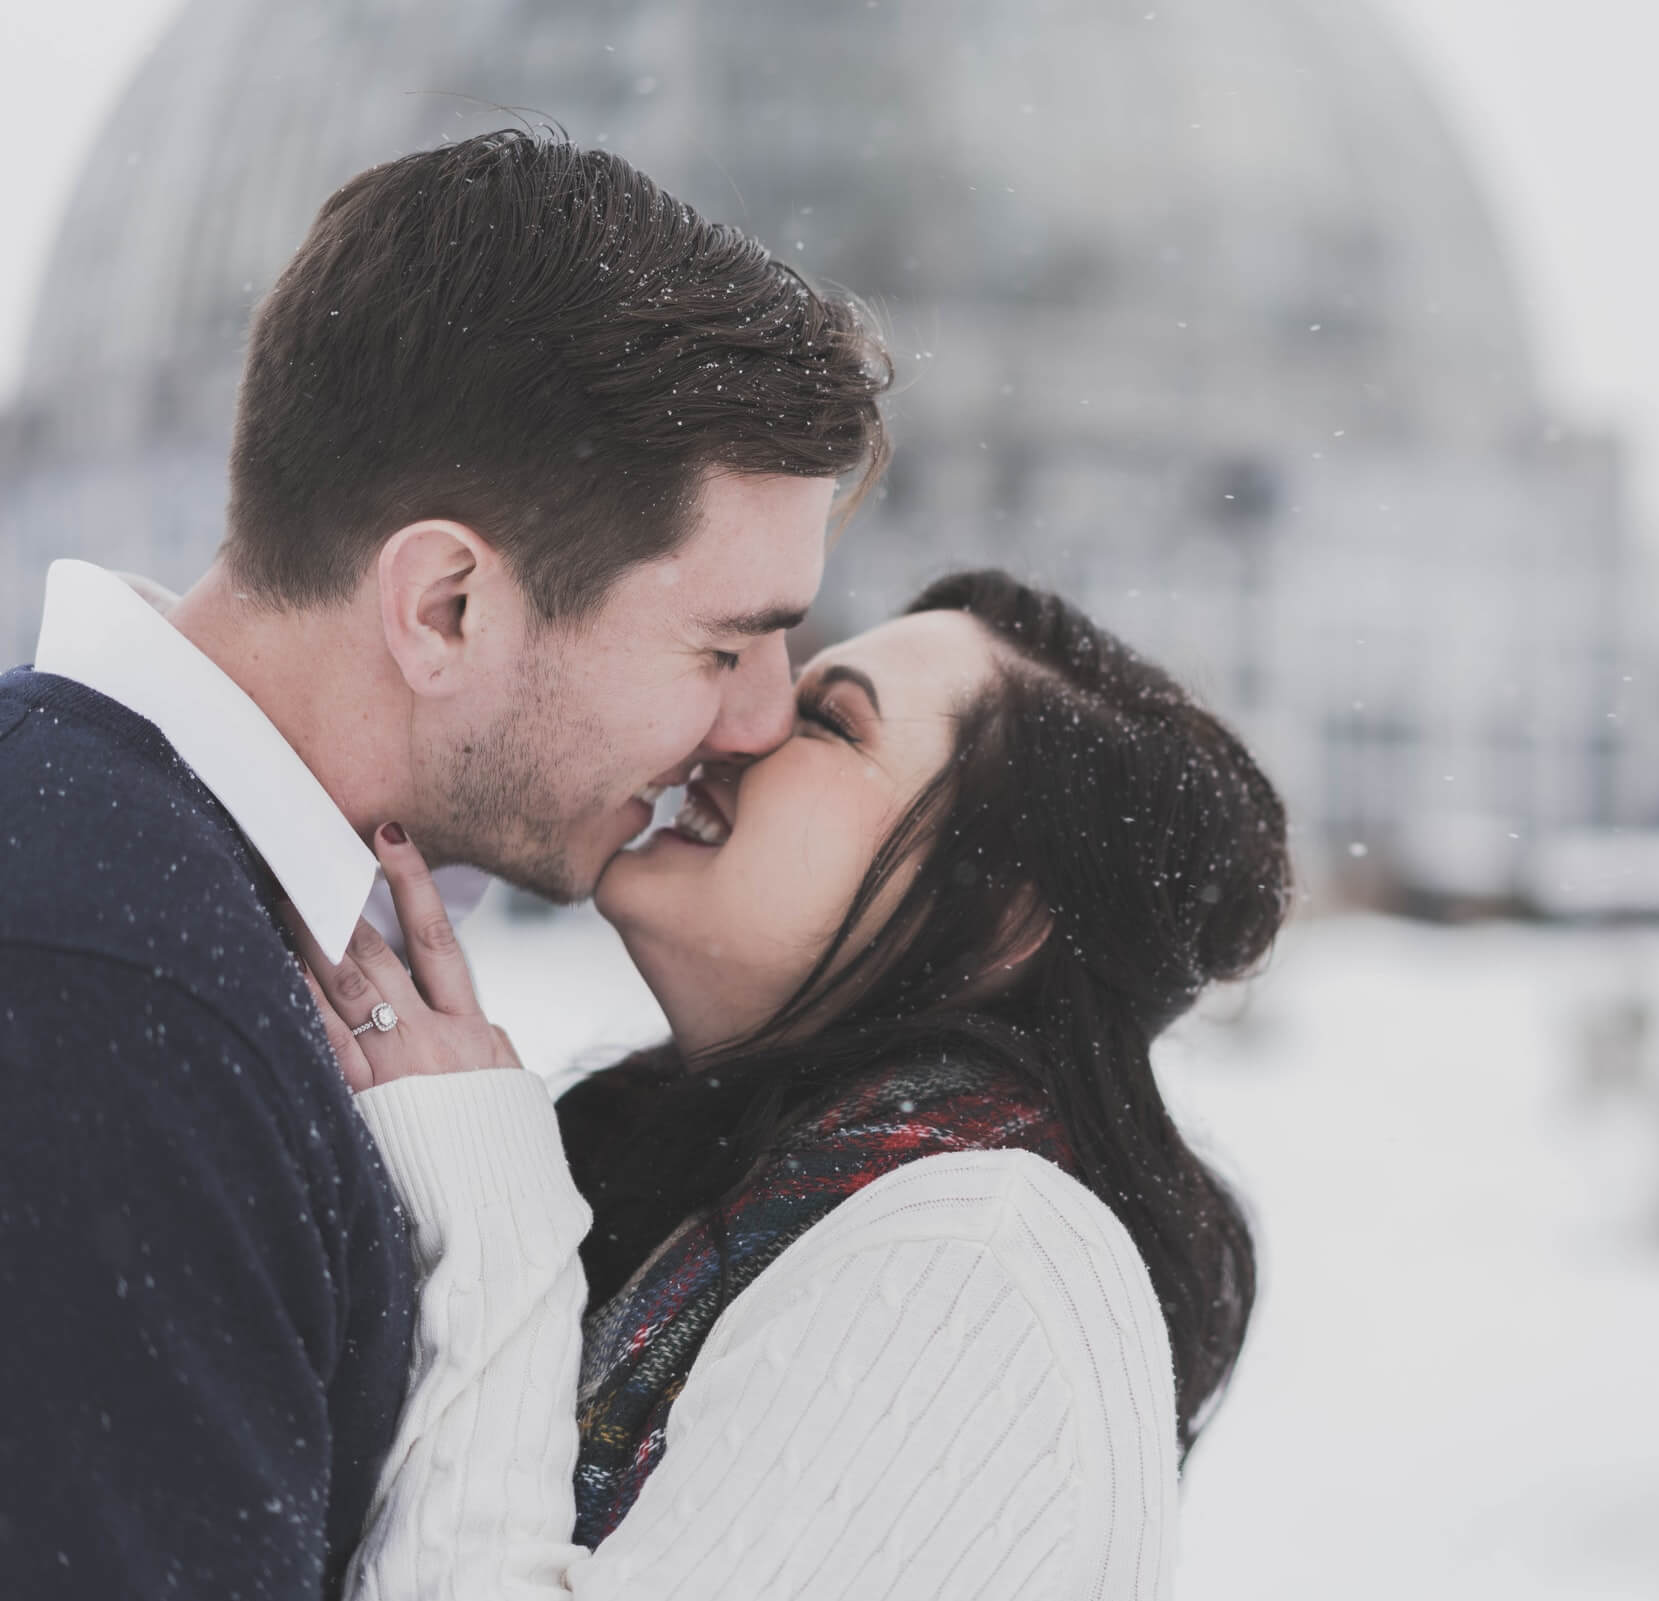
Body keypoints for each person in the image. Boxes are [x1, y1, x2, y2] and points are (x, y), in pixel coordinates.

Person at [0, 130, 888, 1597]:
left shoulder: (156, 917)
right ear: (448, 606)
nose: (761, 719)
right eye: (720, 645)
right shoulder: (103, 995)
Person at [298, 571, 1290, 1598]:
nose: (737, 728)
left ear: (1003, 917)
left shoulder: (973, 1258)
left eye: (826, 720)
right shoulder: (760, 1197)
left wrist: (490, 1214)